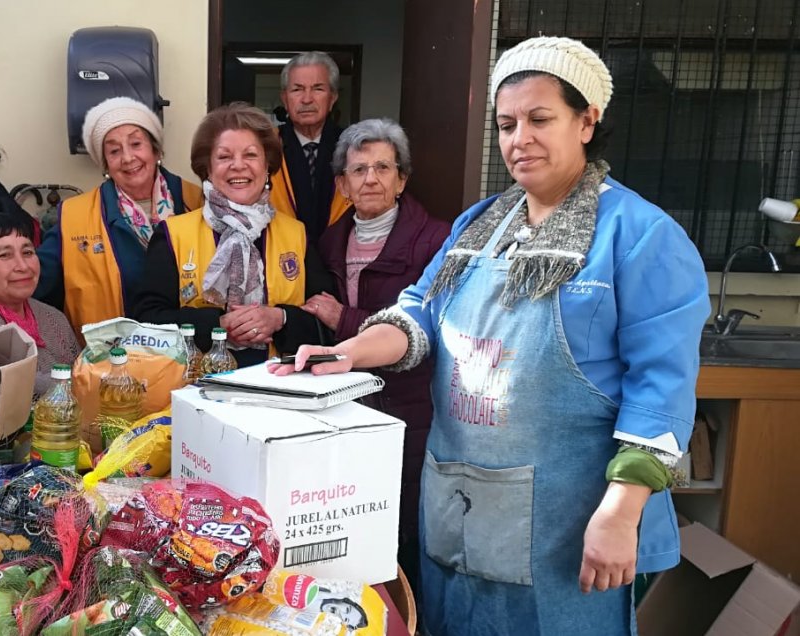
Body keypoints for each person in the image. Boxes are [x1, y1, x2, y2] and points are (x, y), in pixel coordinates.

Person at [274, 36, 710, 634]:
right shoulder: (480, 226)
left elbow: (661, 390)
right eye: (507, 125)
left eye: (539, 119)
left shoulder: (637, 235)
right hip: (459, 505)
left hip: (568, 522)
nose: (519, 139)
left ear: (587, 121)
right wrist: (347, 353)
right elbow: (418, 314)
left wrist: (620, 512)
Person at [306, 118, 450, 590]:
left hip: (414, 407)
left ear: (402, 180)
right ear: (342, 185)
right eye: (359, 169)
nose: (371, 179)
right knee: (358, 520)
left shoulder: (436, 241)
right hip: (353, 405)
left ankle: (412, 613)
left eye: (383, 168)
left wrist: (344, 320)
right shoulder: (328, 241)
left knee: (408, 526)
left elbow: (428, 328)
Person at [0, 97, 203, 335]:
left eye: (136, 144)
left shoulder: (197, 202)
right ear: (105, 164)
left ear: (156, 149)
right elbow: (30, 272)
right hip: (108, 361)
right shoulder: (76, 215)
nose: (128, 158)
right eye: (114, 150)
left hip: (193, 355)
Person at [131, 103, 335, 367]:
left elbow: (327, 322)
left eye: (250, 155)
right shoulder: (173, 235)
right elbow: (146, 322)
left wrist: (280, 318)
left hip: (281, 383)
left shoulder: (297, 234)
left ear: (267, 166)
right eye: (224, 157)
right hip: (197, 384)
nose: (238, 165)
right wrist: (217, 325)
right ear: (208, 168)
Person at [0, 212, 80, 396]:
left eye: (27, 253)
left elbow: (84, 372)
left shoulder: (54, 317)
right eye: (5, 255)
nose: (23, 266)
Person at [270, 52, 351, 240]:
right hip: (281, 249)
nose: (307, 99)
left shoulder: (352, 146)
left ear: (332, 98)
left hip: (340, 250)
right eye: (297, 89)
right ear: (285, 98)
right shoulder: (267, 146)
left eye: (318, 89)